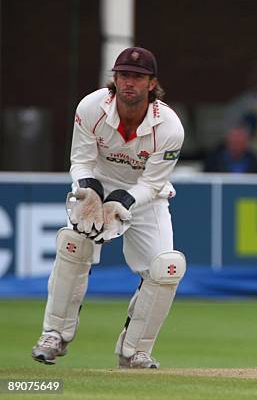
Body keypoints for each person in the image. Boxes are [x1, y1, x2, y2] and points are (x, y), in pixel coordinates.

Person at [31, 47, 186, 369]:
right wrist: (88, 191)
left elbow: (153, 183)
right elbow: (82, 160)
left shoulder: (170, 127)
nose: (129, 83)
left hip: (145, 198)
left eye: (138, 77)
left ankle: (134, 352)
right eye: (124, 75)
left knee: (165, 268)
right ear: (114, 79)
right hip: (96, 190)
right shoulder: (91, 107)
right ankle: (54, 335)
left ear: (152, 83)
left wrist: (124, 201)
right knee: (73, 248)